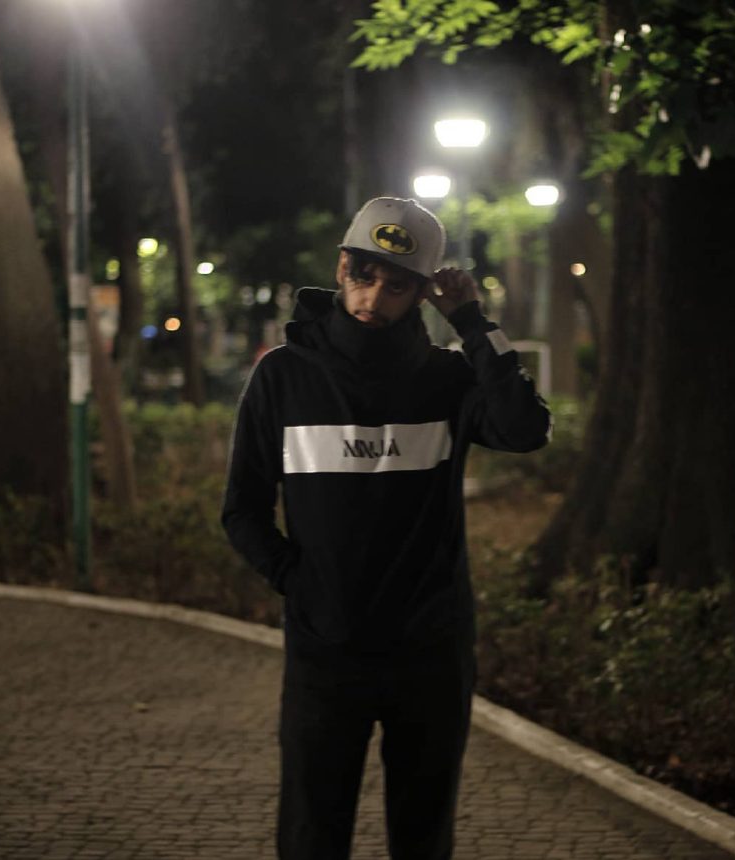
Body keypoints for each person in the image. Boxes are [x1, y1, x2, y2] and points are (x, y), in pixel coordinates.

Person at [222, 196, 551, 860]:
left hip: (431, 648)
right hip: (326, 652)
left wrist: (470, 320)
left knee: (424, 836)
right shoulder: (283, 376)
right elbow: (242, 509)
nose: (373, 297)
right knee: (311, 835)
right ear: (341, 267)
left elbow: (524, 427)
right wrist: (301, 583)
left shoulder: (447, 380)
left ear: (422, 293)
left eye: (397, 286)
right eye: (363, 275)